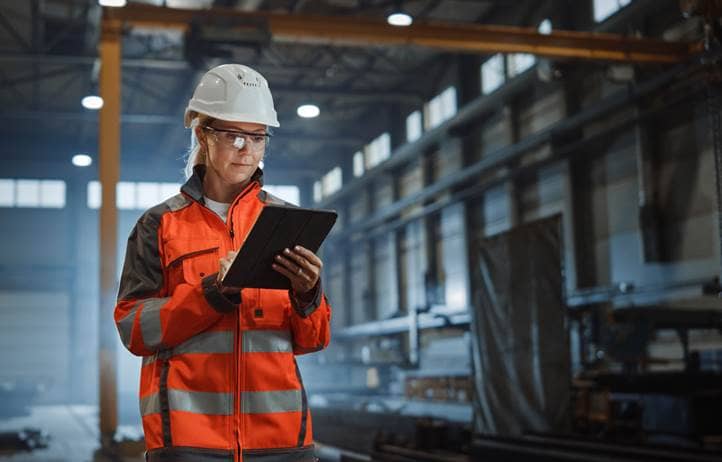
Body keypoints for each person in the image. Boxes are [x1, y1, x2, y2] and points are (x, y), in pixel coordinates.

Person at [114, 63, 331, 462]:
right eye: (232, 135)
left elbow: (312, 339)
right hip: (189, 438)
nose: (245, 149)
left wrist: (308, 295)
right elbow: (133, 327)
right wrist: (213, 293)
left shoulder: (285, 222)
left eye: (257, 137)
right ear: (202, 135)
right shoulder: (159, 225)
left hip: (281, 440)